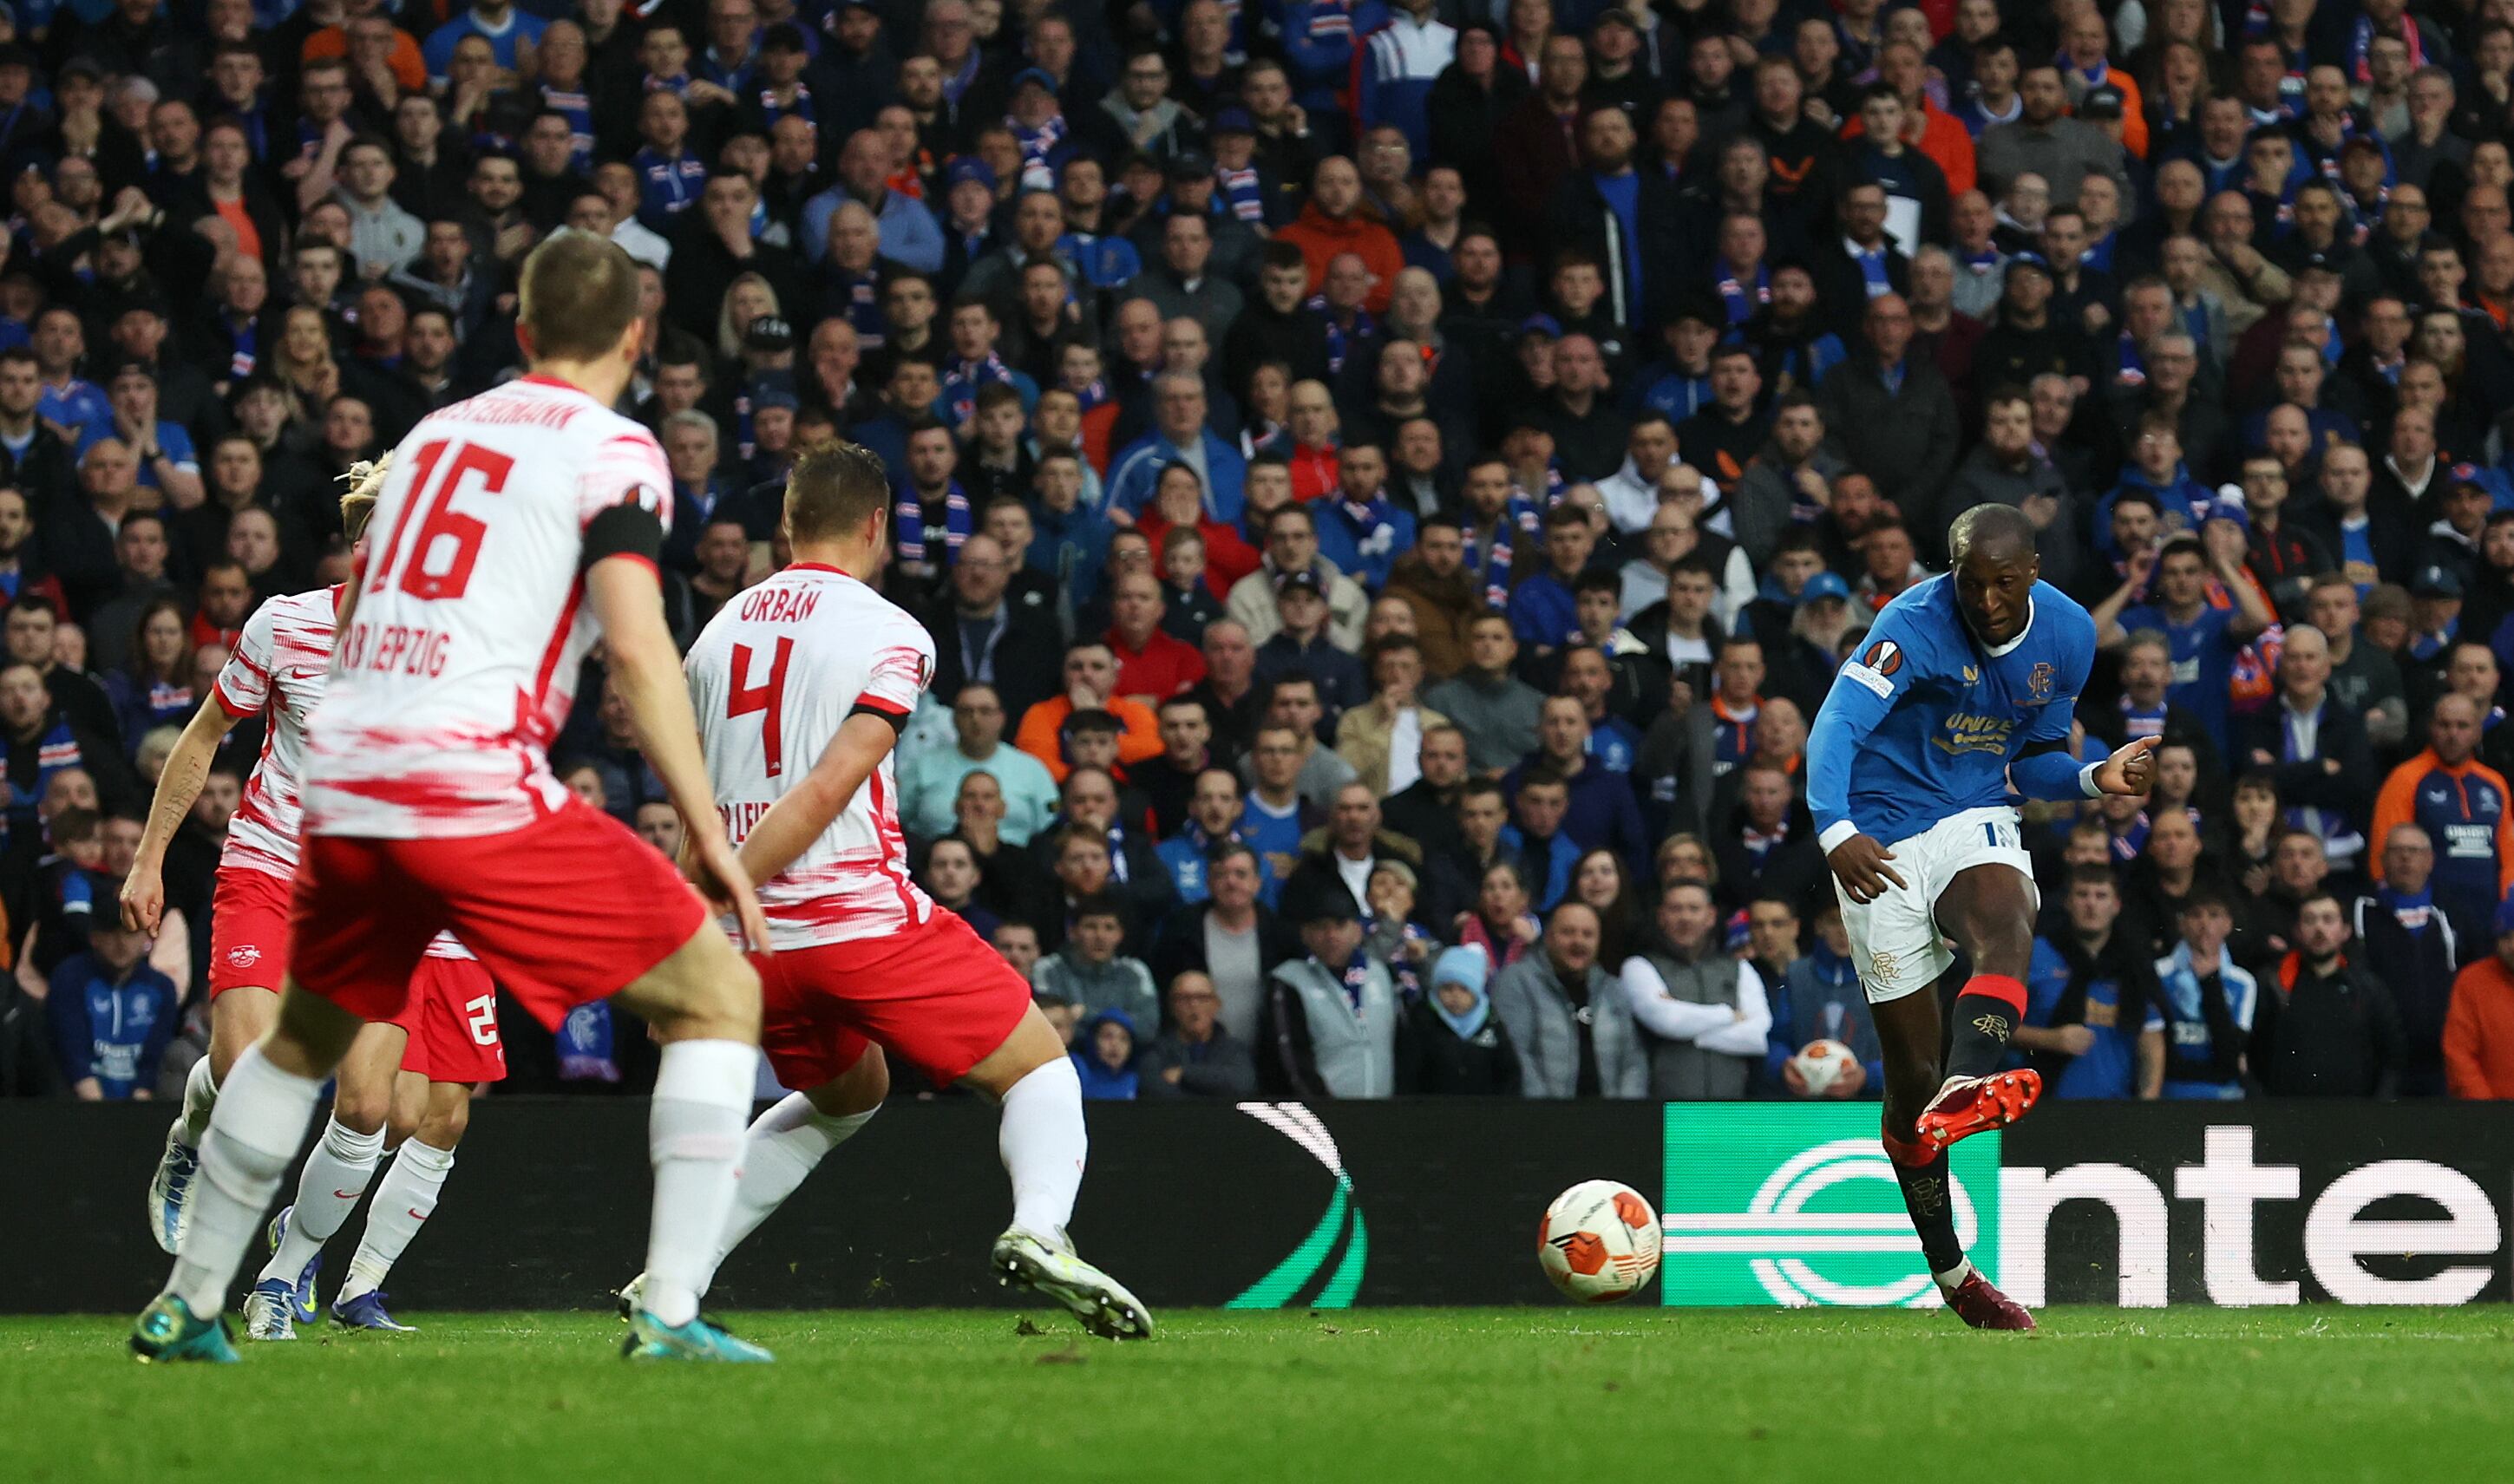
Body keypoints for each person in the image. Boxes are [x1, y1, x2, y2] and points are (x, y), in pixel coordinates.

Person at [129, 236, 770, 1366]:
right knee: (719, 992)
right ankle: (668, 1310)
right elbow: (634, 641)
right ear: (637, 336)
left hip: (348, 795)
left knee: (307, 1045)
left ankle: (187, 1306)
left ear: (520, 334)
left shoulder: (433, 435)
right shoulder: (615, 448)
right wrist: (703, 819)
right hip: (466, 782)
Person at [636, 439, 1150, 1341]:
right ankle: (1041, 1229)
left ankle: (676, 1276)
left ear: (788, 523)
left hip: (748, 953)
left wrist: (686, 929)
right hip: (852, 920)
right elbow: (830, 786)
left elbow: (695, 801)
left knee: (849, 1090)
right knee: (1038, 1068)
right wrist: (729, 891)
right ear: (878, 526)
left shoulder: (714, 635)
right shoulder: (890, 631)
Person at [122, 461, 505, 1343]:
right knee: (254, 1067)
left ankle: (277, 1278)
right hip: (269, 870)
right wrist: (149, 859)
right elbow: (207, 734)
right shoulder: (286, 623)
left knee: (372, 1108)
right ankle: (193, 1133)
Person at [1809, 503, 2156, 1331]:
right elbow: (1836, 724)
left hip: (1969, 810)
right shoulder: (1910, 624)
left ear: (2033, 571)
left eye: (2005, 583)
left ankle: (1977, 1075)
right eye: (1972, 582)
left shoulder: (2068, 634)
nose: (1989, 600)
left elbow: (2032, 758)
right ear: (1951, 571)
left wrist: (2091, 778)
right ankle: (1953, 1271)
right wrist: (1836, 831)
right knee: (1910, 1088)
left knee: (2010, 909)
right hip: (1877, 830)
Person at [1619, 879, 1773, 1098]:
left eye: (1694, 909)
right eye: (1676, 909)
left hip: (1732, 1111)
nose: (1685, 917)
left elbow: (1756, 1037)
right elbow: (1667, 1020)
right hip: (1667, 1112)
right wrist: (1729, 1015)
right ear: (1661, 916)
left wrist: (1690, 1031)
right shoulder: (1639, 966)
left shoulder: (1738, 967)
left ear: (1710, 916)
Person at [2251, 891, 2403, 1097]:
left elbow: (2392, 1056)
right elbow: (2253, 1053)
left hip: (2353, 1117)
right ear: (2297, 930)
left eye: (2328, 920)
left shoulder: (2368, 988)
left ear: (2346, 931)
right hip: (2285, 1117)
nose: (2319, 929)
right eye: (2310, 920)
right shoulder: (2272, 983)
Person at [1489, 899, 1641, 1097]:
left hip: (1609, 1120)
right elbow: (1518, 1055)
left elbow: (1632, 1060)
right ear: (1549, 937)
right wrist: (1547, 1118)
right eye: (1568, 932)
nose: (1578, 941)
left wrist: (1624, 1115)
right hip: (1543, 1121)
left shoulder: (1613, 988)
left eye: (1588, 934)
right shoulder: (1517, 981)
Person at [1400, 945, 1520, 1094]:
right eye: (1448, 988)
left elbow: (1509, 1074)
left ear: (1476, 992)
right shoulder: (1422, 1022)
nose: (1455, 996)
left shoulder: (1491, 1023)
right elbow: (1408, 1076)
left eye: (1464, 989)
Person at [1136, 971, 1260, 1098]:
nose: (1194, 1005)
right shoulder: (1156, 1051)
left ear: (1216, 1005)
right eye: (1184, 999)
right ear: (1172, 1007)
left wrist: (1184, 1074)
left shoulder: (1235, 1050)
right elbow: (1153, 1090)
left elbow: (1243, 1085)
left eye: (1202, 998)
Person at [2444, 896, 2514, 1099]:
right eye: (2506, 937)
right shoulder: (2472, 982)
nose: (2513, 946)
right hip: (2486, 1120)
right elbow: (2459, 1054)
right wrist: (2488, 1112)